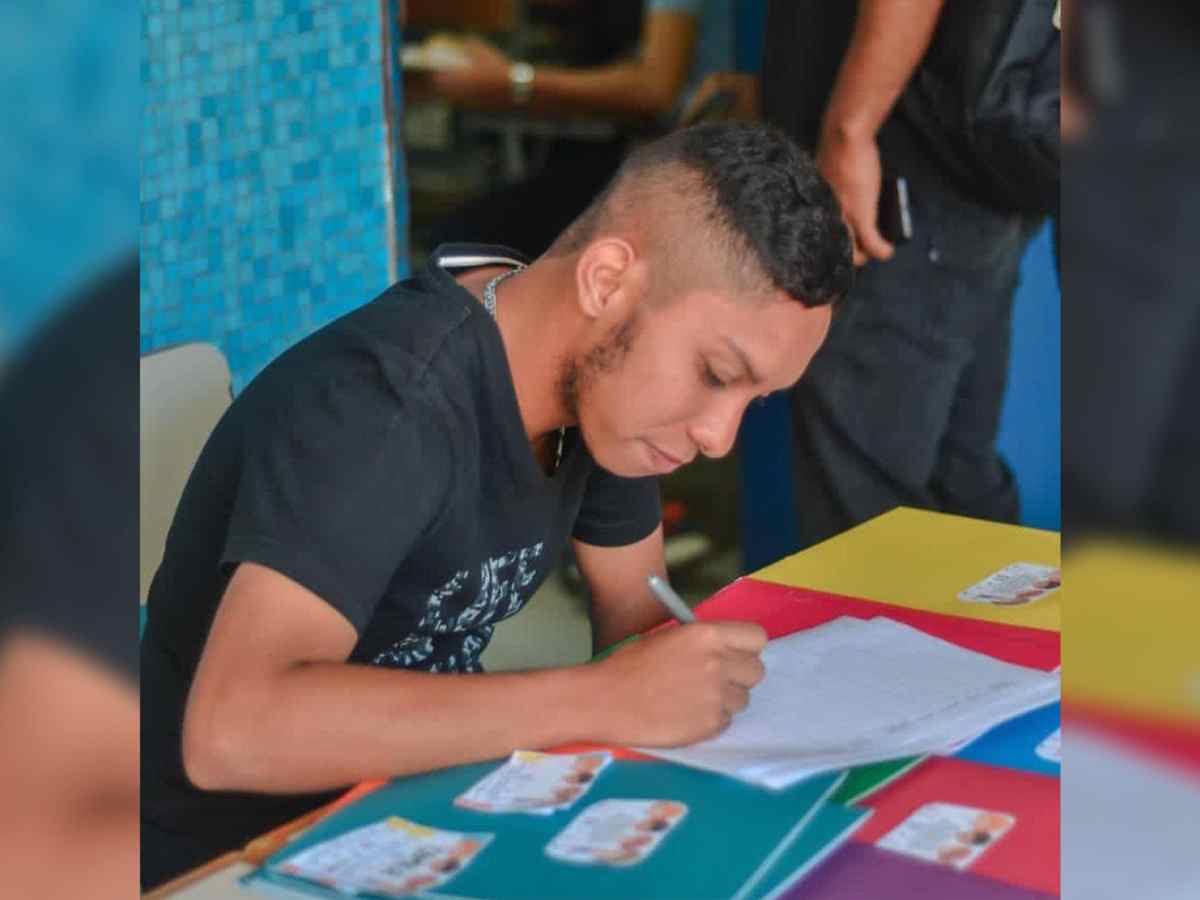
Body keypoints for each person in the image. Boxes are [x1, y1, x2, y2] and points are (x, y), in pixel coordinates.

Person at [140, 122, 852, 889]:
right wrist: (599, 697)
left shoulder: (604, 395)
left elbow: (639, 629)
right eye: (715, 373)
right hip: (236, 857)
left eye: (755, 398)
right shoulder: (383, 408)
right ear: (606, 281)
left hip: (424, 807)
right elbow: (232, 734)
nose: (718, 436)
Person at [689, 1, 1052, 547]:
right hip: (964, 175)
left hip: (902, 171)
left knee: (864, 500)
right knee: (957, 476)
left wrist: (851, 129)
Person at [411, 0, 734, 257]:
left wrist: (512, 80)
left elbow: (655, 89)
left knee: (458, 242)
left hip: (677, 171)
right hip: (626, 153)